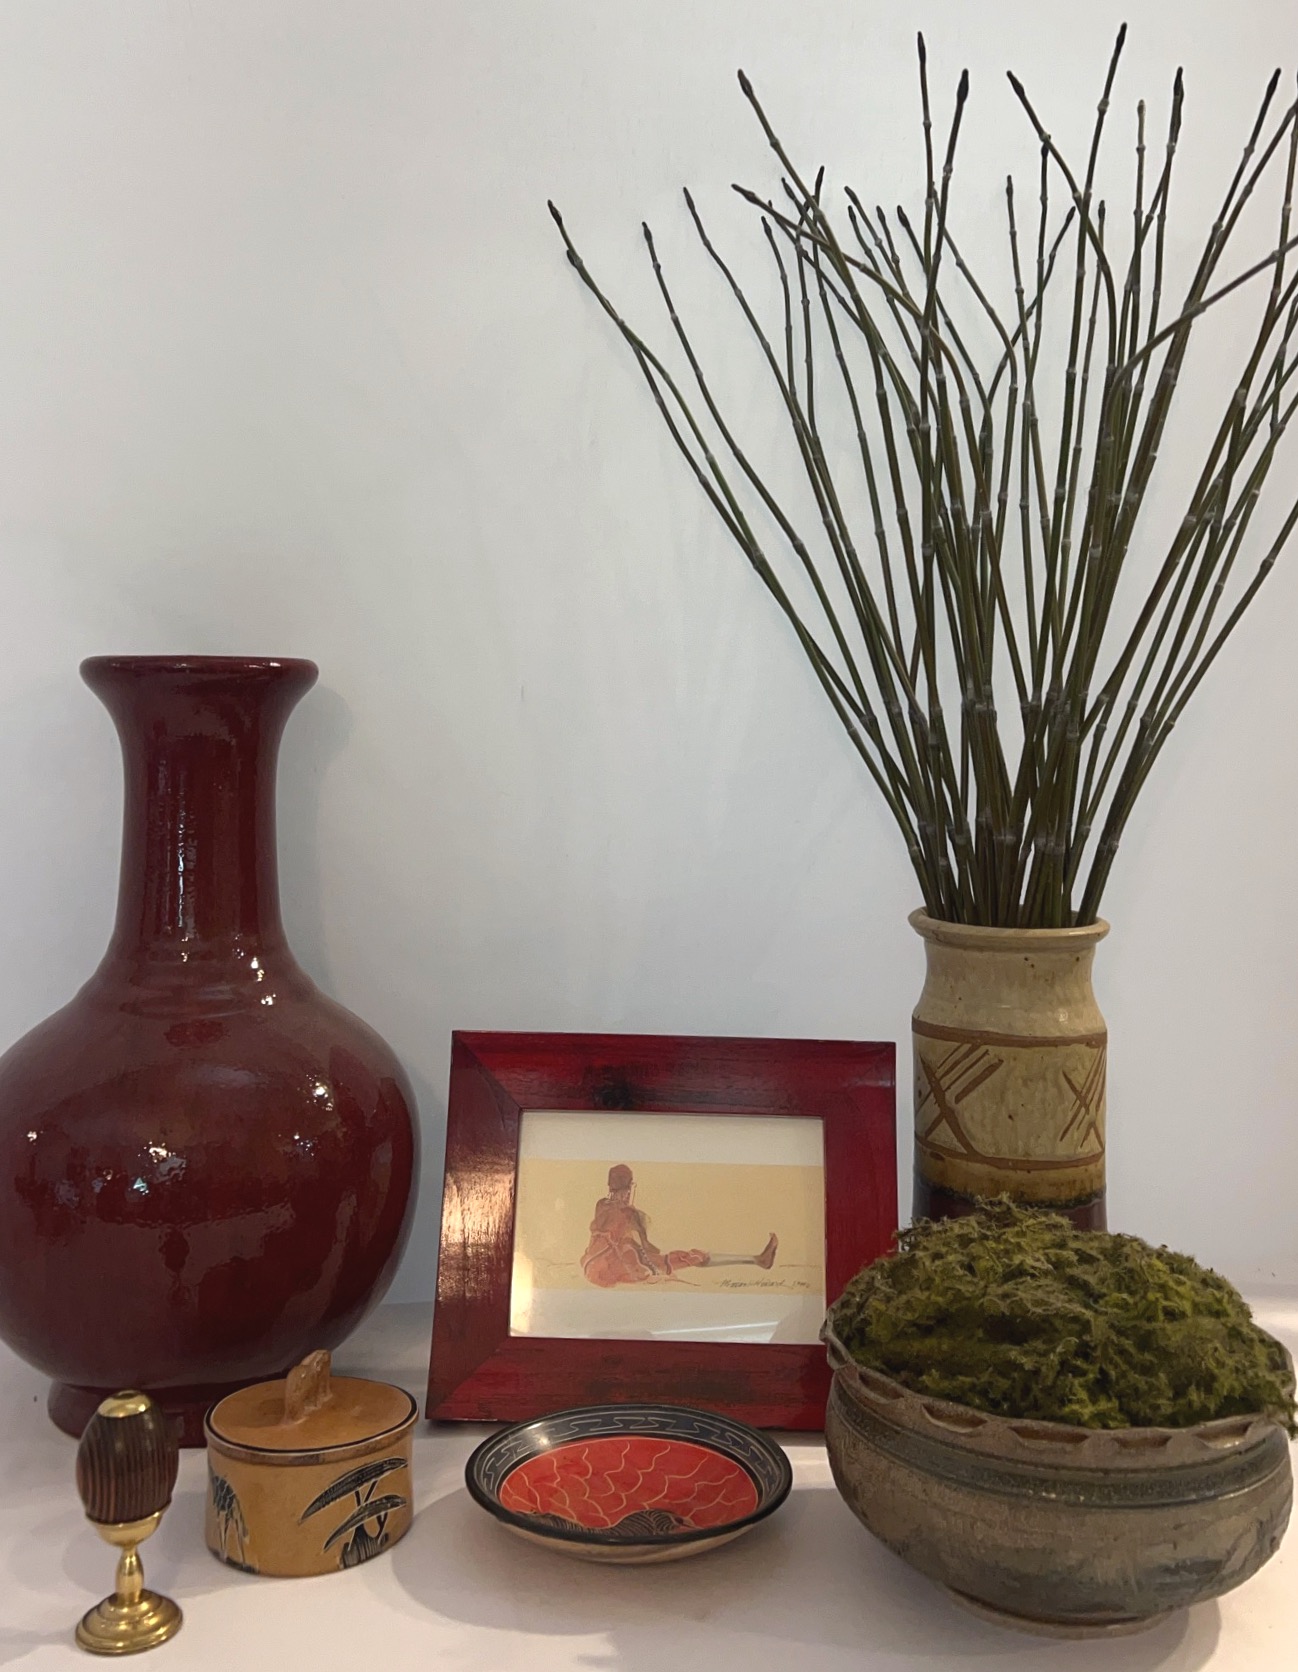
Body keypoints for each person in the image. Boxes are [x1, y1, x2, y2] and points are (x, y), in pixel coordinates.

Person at [580, 1163, 778, 1289]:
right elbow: (647, 1248)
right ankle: (755, 1260)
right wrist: (656, 1261)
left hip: (591, 1267)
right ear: (630, 1186)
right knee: (690, 1256)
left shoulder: (601, 1205)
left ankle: (756, 1260)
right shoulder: (630, 1214)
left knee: (636, 1250)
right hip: (612, 1269)